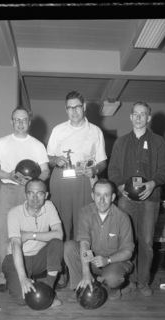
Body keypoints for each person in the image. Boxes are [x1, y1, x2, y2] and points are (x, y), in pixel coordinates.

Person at [108, 101, 165, 296]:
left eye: (142, 114)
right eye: (135, 113)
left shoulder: (158, 142)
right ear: (130, 117)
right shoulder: (120, 142)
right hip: (126, 199)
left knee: (146, 241)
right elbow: (113, 170)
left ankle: (143, 282)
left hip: (150, 199)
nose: (138, 117)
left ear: (148, 118)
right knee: (126, 241)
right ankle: (127, 281)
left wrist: (153, 184)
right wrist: (119, 186)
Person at [0, 106, 50, 287]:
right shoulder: (1, 142)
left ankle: (26, 274)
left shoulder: (37, 145)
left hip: (27, 193)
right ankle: (4, 277)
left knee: (25, 234)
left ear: (29, 122)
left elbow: (46, 170)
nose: (21, 123)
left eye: (24, 120)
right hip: (7, 190)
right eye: (17, 120)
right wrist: (7, 175)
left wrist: (34, 183)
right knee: (5, 234)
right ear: (12, 122)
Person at [47, 91, 108, 287]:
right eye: (70, 107)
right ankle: (60, 273)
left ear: (84, 107)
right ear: (66, 110)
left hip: (83, 180)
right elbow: (47, 158)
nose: (74, 111)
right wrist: (55, 159)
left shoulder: (95, 131)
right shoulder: (58, 130)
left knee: (83, 227)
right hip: (61, 180)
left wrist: (94, 169)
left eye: (77, 106)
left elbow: (102, 162)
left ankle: (82, 272)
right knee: (59, 227)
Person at [64, 178, 134, 301]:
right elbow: (84, 243)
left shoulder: (123, 217)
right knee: (69, 247)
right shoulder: (85, 212)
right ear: (92, 196)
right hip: (93, 259)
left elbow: (128, 252)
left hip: (114, 261)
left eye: (106, 195)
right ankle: (80, 286)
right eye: (98, 195)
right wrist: (86, 271)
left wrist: (107, 260)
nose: (102, 200)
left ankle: (113, 288)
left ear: (112, 197)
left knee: (113, 279)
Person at [1, 178, 64, 306]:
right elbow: (15, 245)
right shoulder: (14, 213)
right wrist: (22, 277)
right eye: (31, 193)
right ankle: (14, 280)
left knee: (56, 243)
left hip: (38, 258)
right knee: (22, 299)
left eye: (39, 193)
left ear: (46, 195)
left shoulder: (49, 206)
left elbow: (59, 234)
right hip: (16, 258)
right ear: (25, 195)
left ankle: (49, 290)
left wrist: (30, 235)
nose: (35, 198)